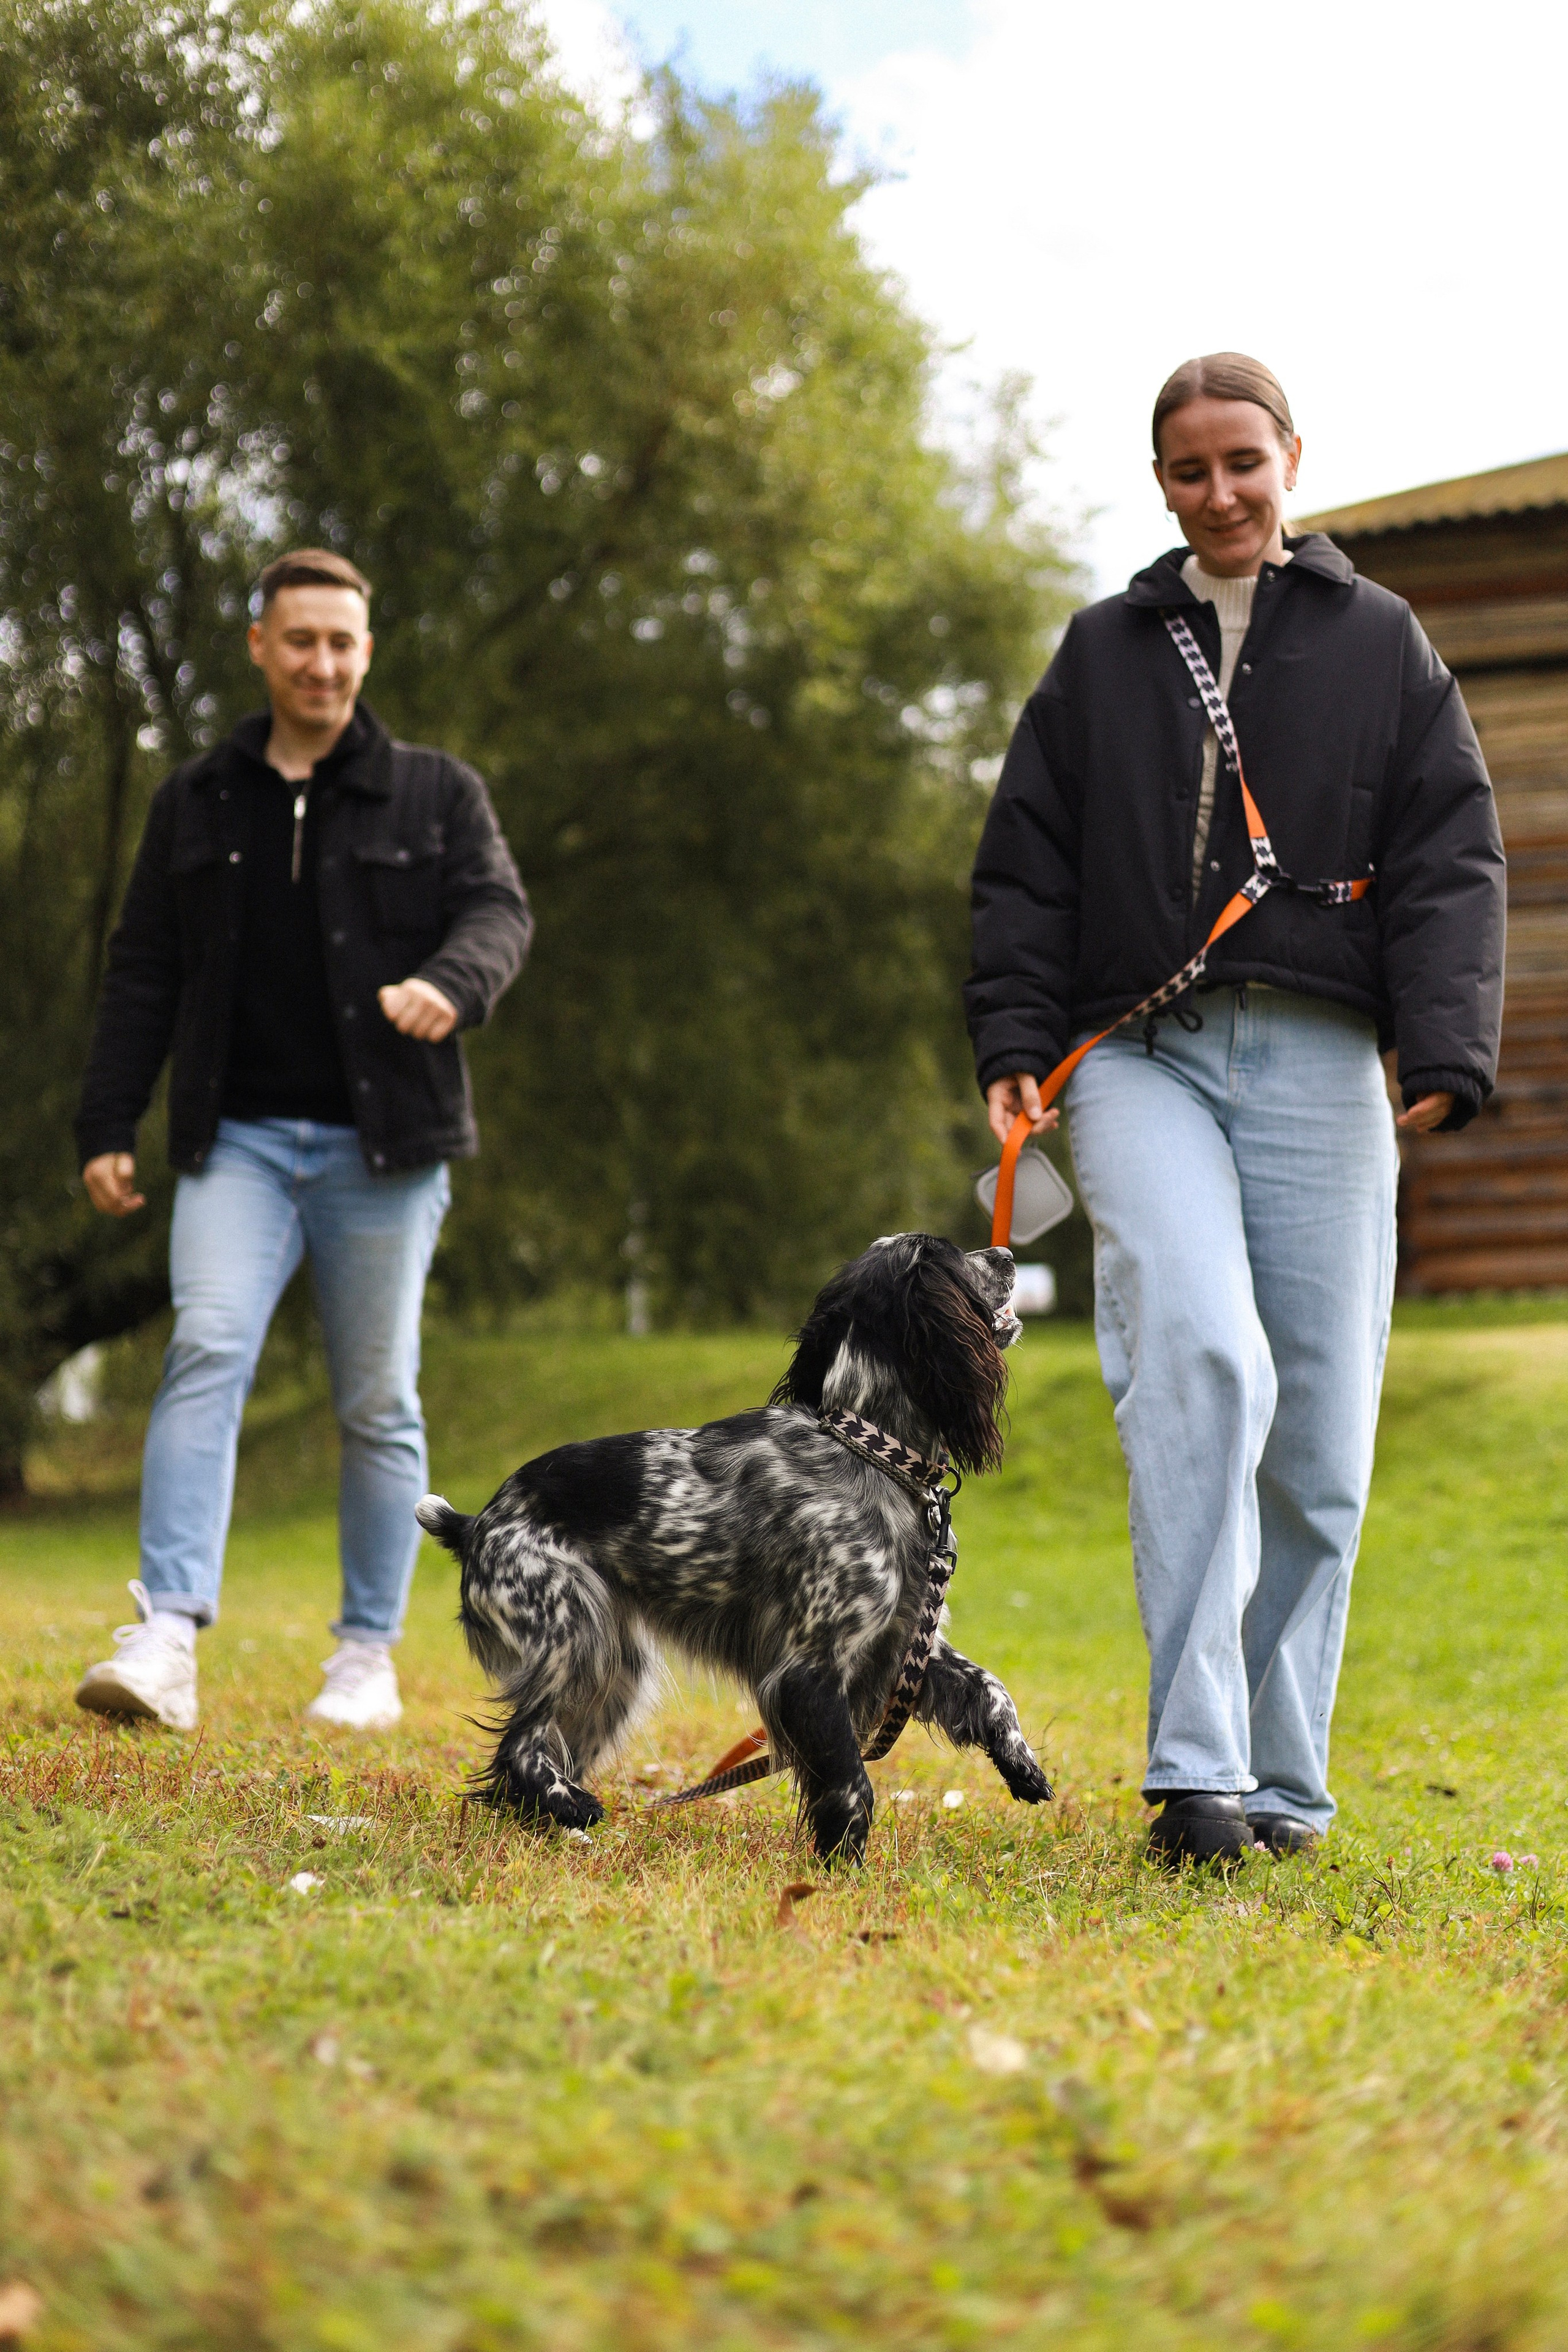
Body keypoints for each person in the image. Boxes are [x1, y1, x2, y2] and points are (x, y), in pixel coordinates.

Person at [966, 355, 1505, 1863]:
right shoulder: (1100, 654)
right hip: (1138, 1053)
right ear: (1158, 483)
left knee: (1321, 1436)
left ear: (1288, 461)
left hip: (1324, 1057)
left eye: (1241, 465)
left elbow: (1452, 852)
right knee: (1199, 1353)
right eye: (1188, 471)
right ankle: (1193, 1772)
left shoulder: (1381, 643)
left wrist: (1443, 1044)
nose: (1219, 494)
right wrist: (1012, 1029)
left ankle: (1283, 1785)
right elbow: (1025, 863)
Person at [72, 549, 532, 1733]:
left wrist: (451, 983)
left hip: (386, 1150)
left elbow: (499, 913)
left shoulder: (436, 794)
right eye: (300, 640)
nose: (322, 662)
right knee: (209, 1344)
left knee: (378, 1397)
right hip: (236, 1141)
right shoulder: (196, 799)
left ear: (365, 654)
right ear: (260, 647)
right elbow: (143, 967)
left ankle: (364, 1657)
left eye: (343, 643)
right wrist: (107, 1119)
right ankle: (167, 1633)